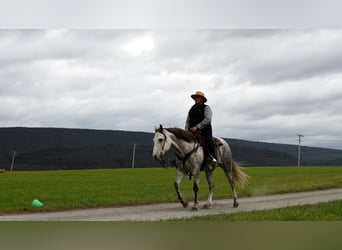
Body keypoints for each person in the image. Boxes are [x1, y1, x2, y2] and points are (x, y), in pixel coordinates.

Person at [185, 91, 217, 163]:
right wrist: (186, 130)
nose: (196, 99)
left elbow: (208, 119)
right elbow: (188, 120)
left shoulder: (206, 108)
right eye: (195, 97)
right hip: (191, 130)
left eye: (198, 97)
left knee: (208, 140)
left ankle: (213, 157)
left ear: (202, 99)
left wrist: (197, 127)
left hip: (204, 130)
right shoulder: (191, 109)